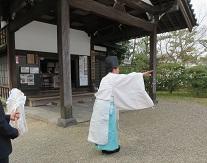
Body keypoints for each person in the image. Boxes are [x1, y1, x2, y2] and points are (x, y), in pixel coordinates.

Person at [88, 56, 154, 154]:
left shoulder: (105, 78)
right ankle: (110, 148)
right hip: (107, 108)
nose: (119, 70)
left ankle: (102, 146)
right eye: (118, 68)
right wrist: (142, 74)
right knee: (110, 128)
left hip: (100, 106)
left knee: (101, 127)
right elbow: (129, 77)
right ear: (114, 68)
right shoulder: (113, 77)